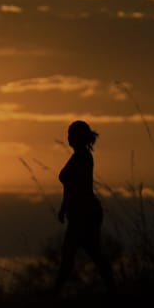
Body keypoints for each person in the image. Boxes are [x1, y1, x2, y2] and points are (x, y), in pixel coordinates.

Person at [54, 120, 115, 296]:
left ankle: (54, 294)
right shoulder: (78, 156)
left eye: (72, 134)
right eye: (68, 134)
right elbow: (70, 187)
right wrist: (64, 208)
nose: (69, 138)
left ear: (79, 137)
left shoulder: (83, 157)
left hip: (85, 213)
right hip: (79, 213)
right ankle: (112, 289)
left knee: (78, 254)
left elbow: (78, 186)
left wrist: (69, 208)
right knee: (89, 253)